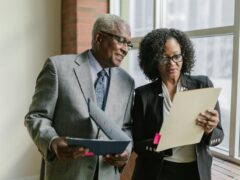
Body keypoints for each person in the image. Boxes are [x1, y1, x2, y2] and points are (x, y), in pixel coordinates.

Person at [24, 14, 135, 180]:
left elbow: (126, 127)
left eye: (128, 44)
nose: (125, 49)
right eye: (121, 40)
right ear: (99, 37)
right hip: (67, 173)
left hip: (107, 174)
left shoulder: (127, 81)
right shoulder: (58, 68)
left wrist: (126, 151)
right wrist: (53, 141)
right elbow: (36, 117)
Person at [132, 28, 224, 180]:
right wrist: (160, 140)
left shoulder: (203, 85)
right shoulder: (143, 95)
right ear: (154, 61)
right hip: (158, 172)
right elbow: (138, 143)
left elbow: (219, 135)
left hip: (195, 172)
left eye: (176, 56)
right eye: (164, 58)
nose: (172, 63)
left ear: (184, 55)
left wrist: (209, 130)